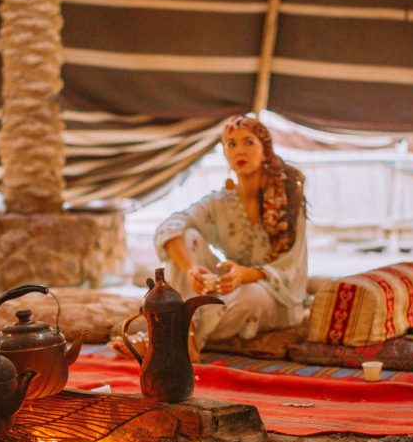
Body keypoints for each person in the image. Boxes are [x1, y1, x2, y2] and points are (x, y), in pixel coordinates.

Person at [132, 115, 308, 360]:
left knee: (250, 296)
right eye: (231, 144)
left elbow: (291, 268)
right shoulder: (220, 202)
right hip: (230, 287)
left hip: (274, 295)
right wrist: (192, 269)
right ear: (224, 153)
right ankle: (184, 339)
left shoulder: (289, 201)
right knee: (188, 235)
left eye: (248, 142)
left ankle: (166, 339)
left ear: (265, 150)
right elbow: (169, 226)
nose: (239, 150)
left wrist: (244, 275)